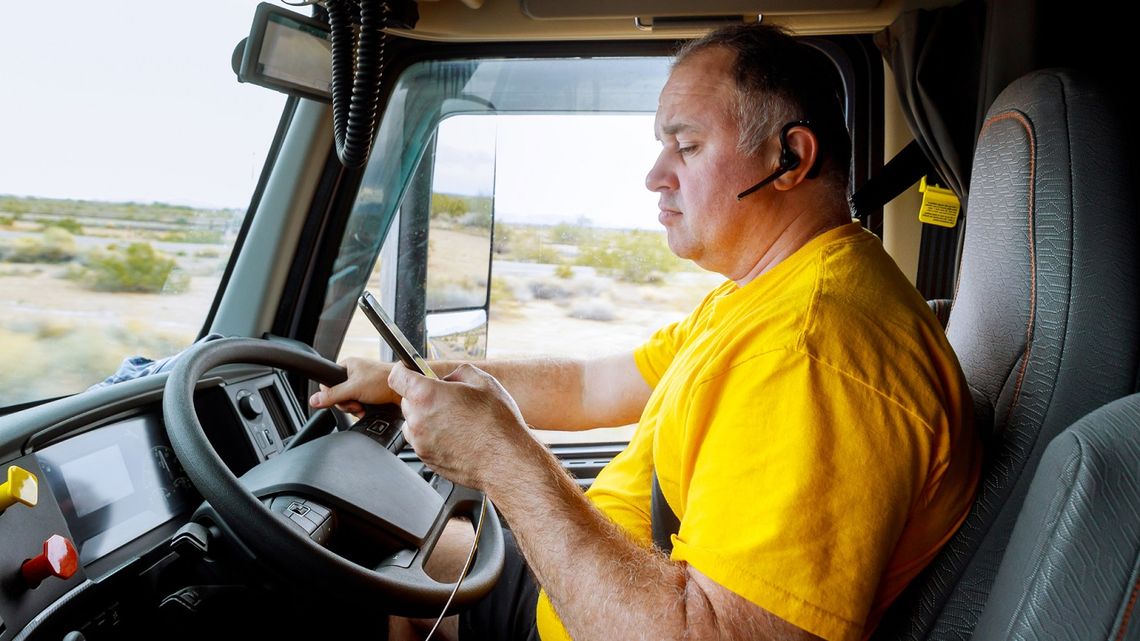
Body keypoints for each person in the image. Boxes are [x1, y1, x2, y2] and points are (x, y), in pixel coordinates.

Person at [310, 23, 981, 641]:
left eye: (685, 145)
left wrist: (503, 459)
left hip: (620, 611)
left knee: (367, 572)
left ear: (790, 158)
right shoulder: (766, 296)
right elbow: (592, 383)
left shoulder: (810, 351)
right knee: (400, 555)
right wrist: (416, 380)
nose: (654, 176)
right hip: (607, 585)